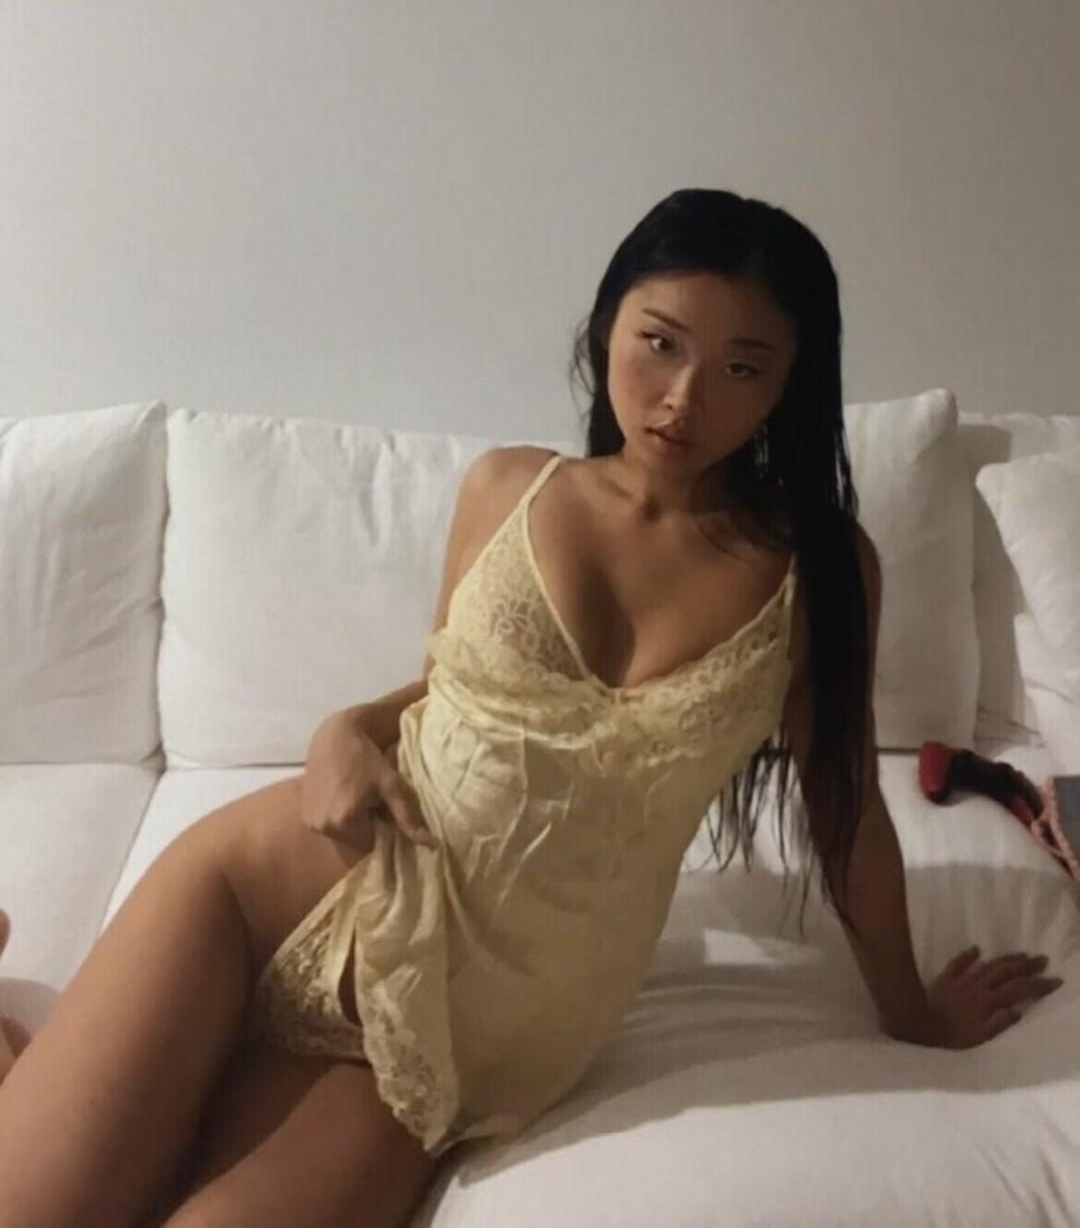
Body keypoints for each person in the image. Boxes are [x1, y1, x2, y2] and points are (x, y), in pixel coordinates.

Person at [0, 188, 1062, 1228]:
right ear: (606, 328)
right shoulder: (508, 488)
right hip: (268, 891)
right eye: (660, 343)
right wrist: (341, 731)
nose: (684, 397)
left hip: (470, 1028)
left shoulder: (818, 573)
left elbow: (846, 808)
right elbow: (445, 696)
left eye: (742, 367)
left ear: (791, 383)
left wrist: (913, 1013)